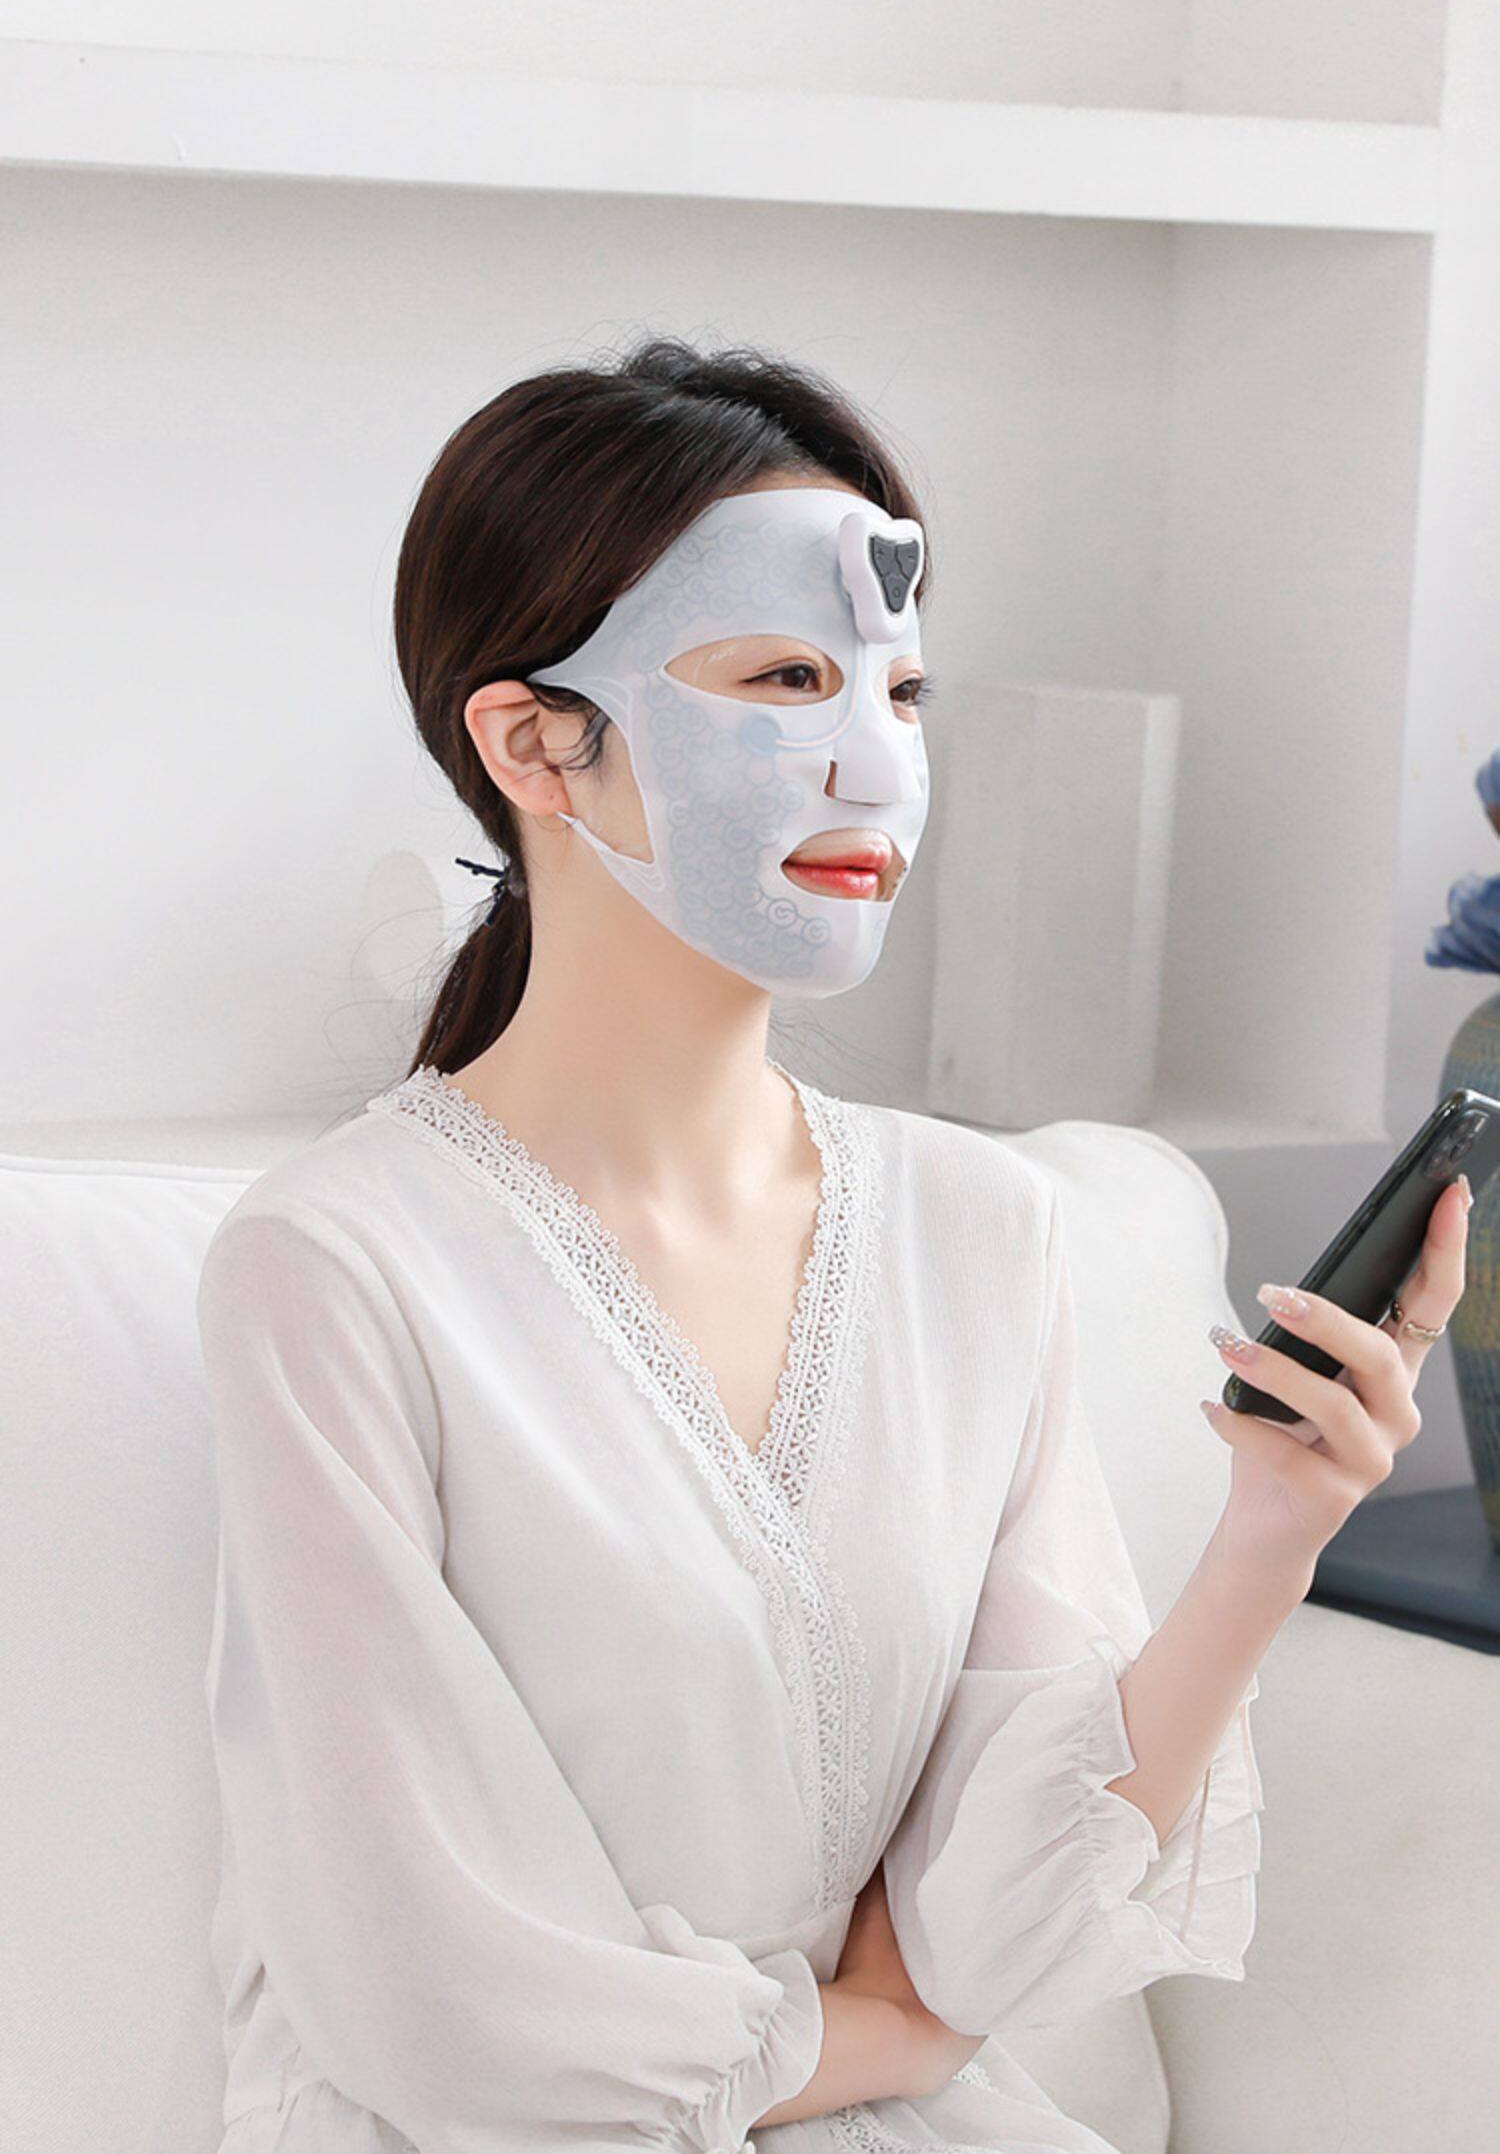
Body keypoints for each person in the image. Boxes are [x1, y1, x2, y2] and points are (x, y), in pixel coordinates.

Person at [197, 338, 1454, 2154]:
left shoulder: (978, 1228)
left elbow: (995, 1925)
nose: (878, 762)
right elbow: (421, 1973)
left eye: (906, 688)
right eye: (789, 678)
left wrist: (1278, 1523)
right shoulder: (334, 1265)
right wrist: (873, 2034)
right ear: (534, 740)